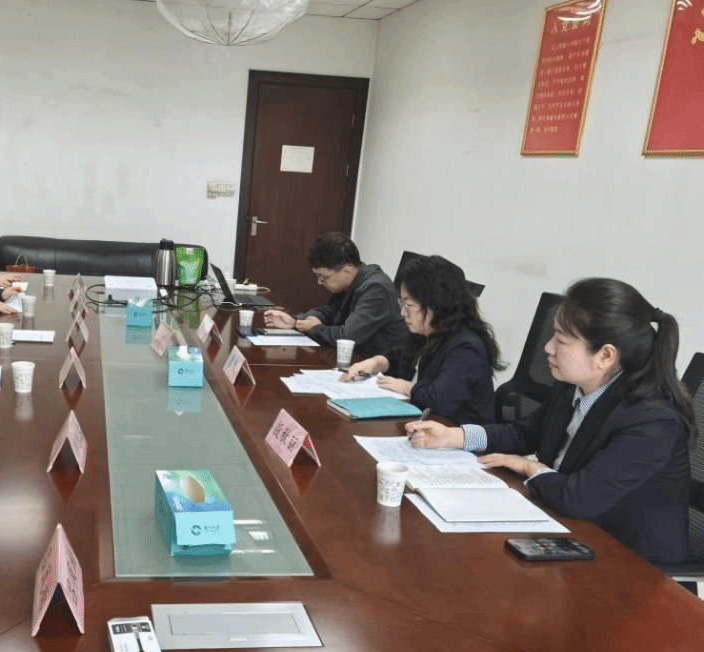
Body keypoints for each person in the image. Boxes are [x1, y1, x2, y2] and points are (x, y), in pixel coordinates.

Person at [407, 277, 693, 564]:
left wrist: (529, 466)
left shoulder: (654, 421)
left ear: (605, 356)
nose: (548, 347)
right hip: (567, 531)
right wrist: (454, 436)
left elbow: (579, 498)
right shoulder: (574, 386)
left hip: (630, 565)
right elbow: (524, 434)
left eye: (561, 340)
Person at [340, 254, 504, 424]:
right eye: (401, 304)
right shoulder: (426, 331)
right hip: (420, 422)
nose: (403, 312)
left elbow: (439, 400)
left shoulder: (466, 348)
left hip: (454, 432)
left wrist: (408, 387)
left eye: (409, 305)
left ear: (436, 304)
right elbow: (399, 355)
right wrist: (376, 363)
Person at [263, 232, 405, 358]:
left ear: (347, 270)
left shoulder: (376, 289)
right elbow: (329, 311)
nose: (319, 282)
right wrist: (296, 322)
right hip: (351, 360)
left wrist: (314, 328)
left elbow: (347, 337)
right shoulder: (350, 281)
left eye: (323, 277)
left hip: (377, 370)